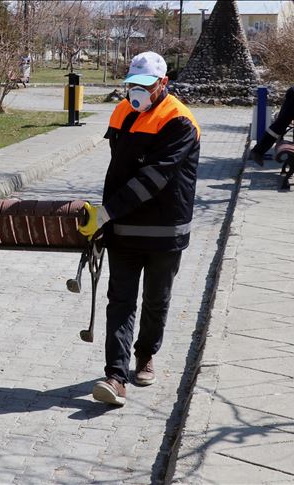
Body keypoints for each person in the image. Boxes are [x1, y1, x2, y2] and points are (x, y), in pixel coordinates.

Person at [78, 51, 200, 406]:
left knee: (156, 301)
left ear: (163, 83)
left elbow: (155, 177)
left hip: (165, 229)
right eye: (132, 84)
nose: (137, 91)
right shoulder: (122, 112)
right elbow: (117, 172)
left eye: (145, 85)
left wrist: (108, 211)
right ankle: (115, 377)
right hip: (124, 228)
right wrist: (106, 219)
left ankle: (145, 354)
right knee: (120, 301)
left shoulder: (180, 121)